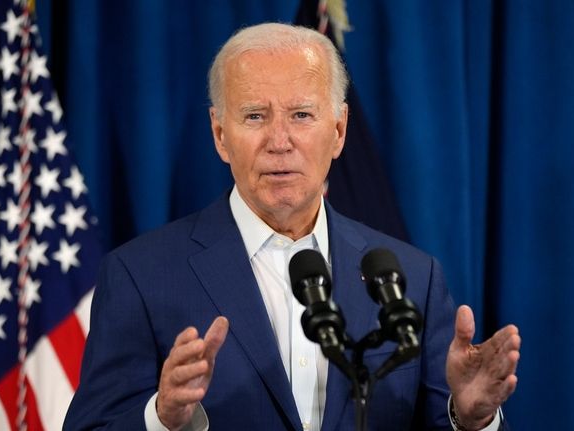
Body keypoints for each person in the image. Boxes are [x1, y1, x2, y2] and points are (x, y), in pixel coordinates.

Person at [64, 23, 520, 431]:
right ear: (220, 135)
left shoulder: (411, 279)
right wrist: (160, 418)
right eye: (255, 116)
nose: (279, 142)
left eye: (301, 115)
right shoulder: (140, 275)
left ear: (338, 131)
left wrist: (472, 419)